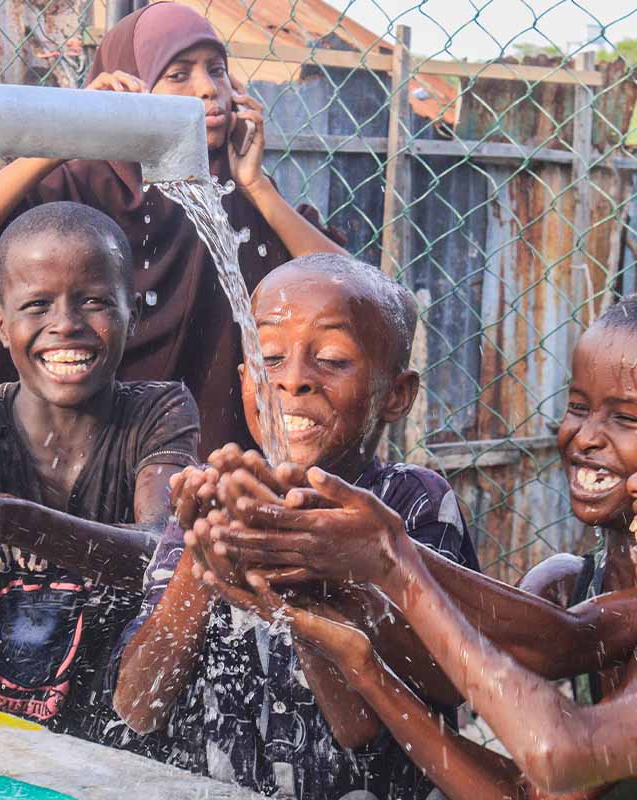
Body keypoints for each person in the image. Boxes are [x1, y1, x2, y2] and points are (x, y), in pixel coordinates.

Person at [206, 295, 637, 799]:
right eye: (577, 408)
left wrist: (392, 557)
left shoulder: (421, 500)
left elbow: (557, 752)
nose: (585, 436)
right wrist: (364, 665)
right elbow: (528, 793)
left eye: (627, 419)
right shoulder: (570, 585)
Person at [111, 254, 480, 800]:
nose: (293, 380)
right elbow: (138, 706)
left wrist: (293, 583)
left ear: (397, 394)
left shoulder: (412, 506)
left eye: (331, 359)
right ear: (245, 381)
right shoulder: (217, 498)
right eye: (271, 356)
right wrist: (200, 557)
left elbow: (365, 736)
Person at [0, 1, 346, 455]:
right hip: (80, 452)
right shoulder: (79, 184)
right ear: (128, 88)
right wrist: (68, 135)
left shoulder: (232, 193)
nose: (209, 89)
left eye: (218, 70)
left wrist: (258, 186)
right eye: (179, 74)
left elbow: (351, 289)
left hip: (210, 457)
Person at [0, 202, 200, 743]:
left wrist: (9, 520)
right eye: (37, 304)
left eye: (95, 301)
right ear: (1, 325)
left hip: (115, 732)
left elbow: (157, 554)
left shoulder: (159, 411)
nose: (66, 324)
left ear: (133, 315)